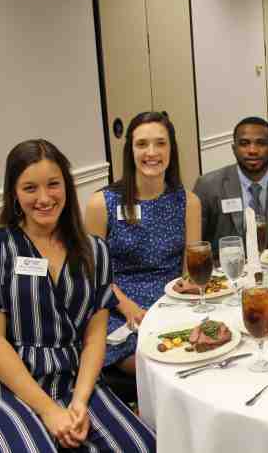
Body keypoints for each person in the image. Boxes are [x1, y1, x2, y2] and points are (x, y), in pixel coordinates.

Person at [0, 139, 156, 452]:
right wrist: (49, 410)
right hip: (3, 382)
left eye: (53, 184)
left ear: (66, 186)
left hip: (71, 379)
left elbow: (95, 339)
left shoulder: (94, 250)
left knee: (142, 446)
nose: (44, 198)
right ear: (13, 192)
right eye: (30, 188)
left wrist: (79, 401)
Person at [84, 111, 200, 374]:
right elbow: (92, 274)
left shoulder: (188, 202)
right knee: (156, 366)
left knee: (206, 352)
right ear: (130, 151)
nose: (152, 152)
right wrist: (129, 308)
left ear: (172, 149)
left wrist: (183, 297)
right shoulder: (101, 204)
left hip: (171, 303)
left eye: (160, 143)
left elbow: (189, 271)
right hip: (117, 308)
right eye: (142, 144)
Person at [193, 117, 268, 257]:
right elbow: (196, 246)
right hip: (227, 274)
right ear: (234, 149)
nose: (252, 150)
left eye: (261, 143)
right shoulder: (208, 186)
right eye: (244, 144)